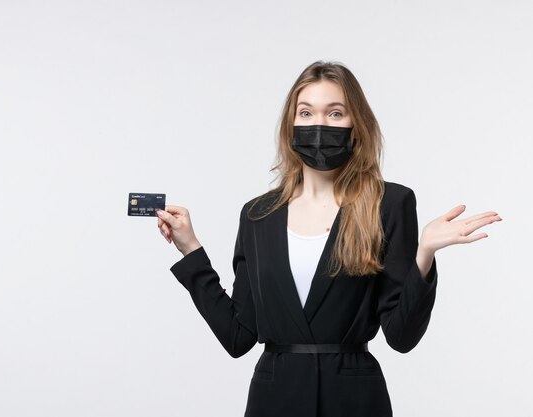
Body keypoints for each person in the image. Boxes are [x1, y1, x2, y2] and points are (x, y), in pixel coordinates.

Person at [155, 61, 502, 417]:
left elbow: (401, 336)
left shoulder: (390, 204)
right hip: (274, 400)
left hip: (354, 399)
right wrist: (190, 250)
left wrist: (424, 254)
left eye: (335, 113)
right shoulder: (258, 214)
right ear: (291, 124)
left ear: (356, 126)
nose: (319, 124)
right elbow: (238, 336)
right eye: (306, 112)